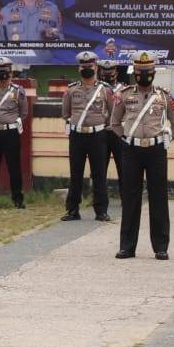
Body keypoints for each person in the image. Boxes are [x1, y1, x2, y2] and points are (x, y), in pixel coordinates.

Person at [109, 51, 174, 260]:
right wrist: (126, 139)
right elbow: (114, 122)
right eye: (140, 71)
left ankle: (161, 247)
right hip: (131, 150)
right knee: (130, 197)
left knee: (158, 197)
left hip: (156, 151)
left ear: (153, 72)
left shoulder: (164, 96)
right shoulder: (124, 95)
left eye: (147, 71)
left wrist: (167, 138)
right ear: (134, 72)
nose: (143, 75)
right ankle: (127, 247)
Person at [61, 50, 114, 222]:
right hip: (77, 136)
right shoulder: (71, 90)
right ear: (79, 68)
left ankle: (101, 211)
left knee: (99, 174)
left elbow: (113, 113)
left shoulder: (105, 90)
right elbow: (65, 113)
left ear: (96, 67)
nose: (86, 69)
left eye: (89, 66)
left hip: (98, 136)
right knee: (75, 174)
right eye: (83, 66)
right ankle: (72, 210)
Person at [0, 57, 27, 208]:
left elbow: (23, 112)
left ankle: (18, 199)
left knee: (14, 167)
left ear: (11, 72)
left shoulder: (18, 91)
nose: (2, 74)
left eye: (5, 71)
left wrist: (16, 123)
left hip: (11, 133)